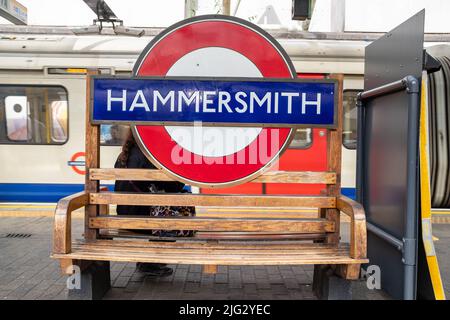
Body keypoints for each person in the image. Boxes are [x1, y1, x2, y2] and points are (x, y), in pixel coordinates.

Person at [114, 129, 195, 276]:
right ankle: (149, 262)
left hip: (124, 214)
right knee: (174, 224)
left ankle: (149, 260)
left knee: (163, 217)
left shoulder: (123, 155)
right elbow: (171, 186)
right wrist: (180, 180)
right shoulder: (149, 157)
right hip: (142, 218)